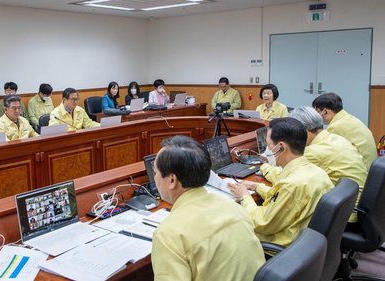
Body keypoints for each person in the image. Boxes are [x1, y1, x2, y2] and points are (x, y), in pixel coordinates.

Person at [151, 135, 264, 280]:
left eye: (156, 172)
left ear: (172, 180)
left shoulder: (169, 234)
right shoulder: (235, 207)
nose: (154, 178)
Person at [228, 118, 333, 247]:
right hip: (308, 246)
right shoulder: (317, 172)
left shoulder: (291, 184)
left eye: (269, 145)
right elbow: (286, 200)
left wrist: (244, 196)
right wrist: (256, 186)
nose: (267, 150)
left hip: (282, 248)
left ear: (281, 147)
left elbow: (262, 223)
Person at [263, 107, 367, 223]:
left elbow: (286, 178)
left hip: (346, 215)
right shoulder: (335, 138)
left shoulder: (314, 151)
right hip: (355, 204)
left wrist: (265, 167)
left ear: (303, 130)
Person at [312, 92, 377, 170]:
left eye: (317, 111)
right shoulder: (348, 118)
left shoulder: (335, 127)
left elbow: (322, 153)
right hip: (369, 168)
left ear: (325, 111)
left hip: (360, 172)